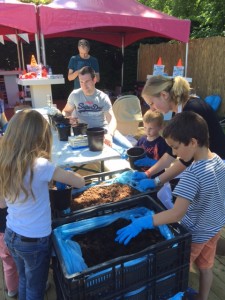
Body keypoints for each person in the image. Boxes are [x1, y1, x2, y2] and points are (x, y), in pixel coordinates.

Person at [116, 111, 225, 300]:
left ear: (192, 142)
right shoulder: (218, 161)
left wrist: (144, 222)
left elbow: (176, 214)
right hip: (214, 227)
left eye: (175, 147)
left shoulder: (192, 175)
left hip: (195, 233)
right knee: (206, 267)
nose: (174, 154)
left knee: (177, 272)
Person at [0, 109, 85, 300]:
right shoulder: (40, 165)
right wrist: (72, 174)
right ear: (40, 137)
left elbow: (2, 203)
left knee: (24, 279)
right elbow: (79, 182)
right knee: (35, 288)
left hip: (12, 234)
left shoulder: (5, 163)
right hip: (34, 240)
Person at [132, 75, 225, 189]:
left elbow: (186, 159)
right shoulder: (178, 111)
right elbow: (171, 153)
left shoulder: (192, 110)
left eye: (151, 103)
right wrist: (148, 173)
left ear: (164, 95)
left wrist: (156, 181)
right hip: (205, 166)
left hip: (216, 169)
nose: (152, 109)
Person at [63, 66, 132, 149]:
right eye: (81, 82)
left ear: (94, 80)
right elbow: (66, 111)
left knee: (129, 148)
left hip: (103, 131)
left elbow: (112, 119)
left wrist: (109, 134)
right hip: (83, 133)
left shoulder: (103, 97)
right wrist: (68, 118)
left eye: (87, 81)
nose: (84, 85)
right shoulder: (75, 95)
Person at [0, 207, 18, 298]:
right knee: (28, 263)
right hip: (13, 233)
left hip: (0, 236)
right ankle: (38, 284)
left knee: (8, 265)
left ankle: (12, 290)